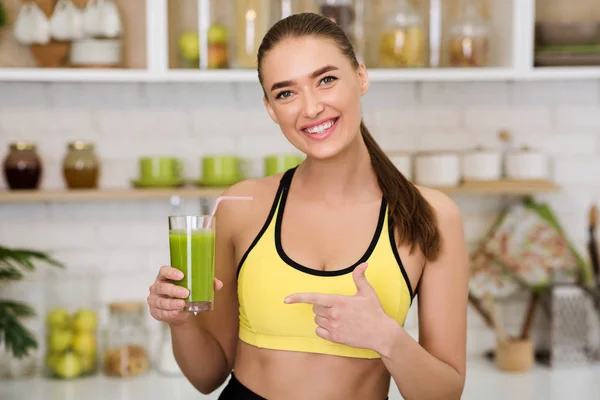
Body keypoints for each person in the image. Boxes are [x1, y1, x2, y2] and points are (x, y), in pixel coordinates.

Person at [148, 12, 468, 400]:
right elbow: (208, 376)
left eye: (326, 80)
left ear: (361, 77)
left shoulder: (430, 216)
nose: (311, 107)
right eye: (286, 93)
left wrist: (387, 339)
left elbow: (445, 394)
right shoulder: (242, 208)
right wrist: (180, 321)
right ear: (270, 108)